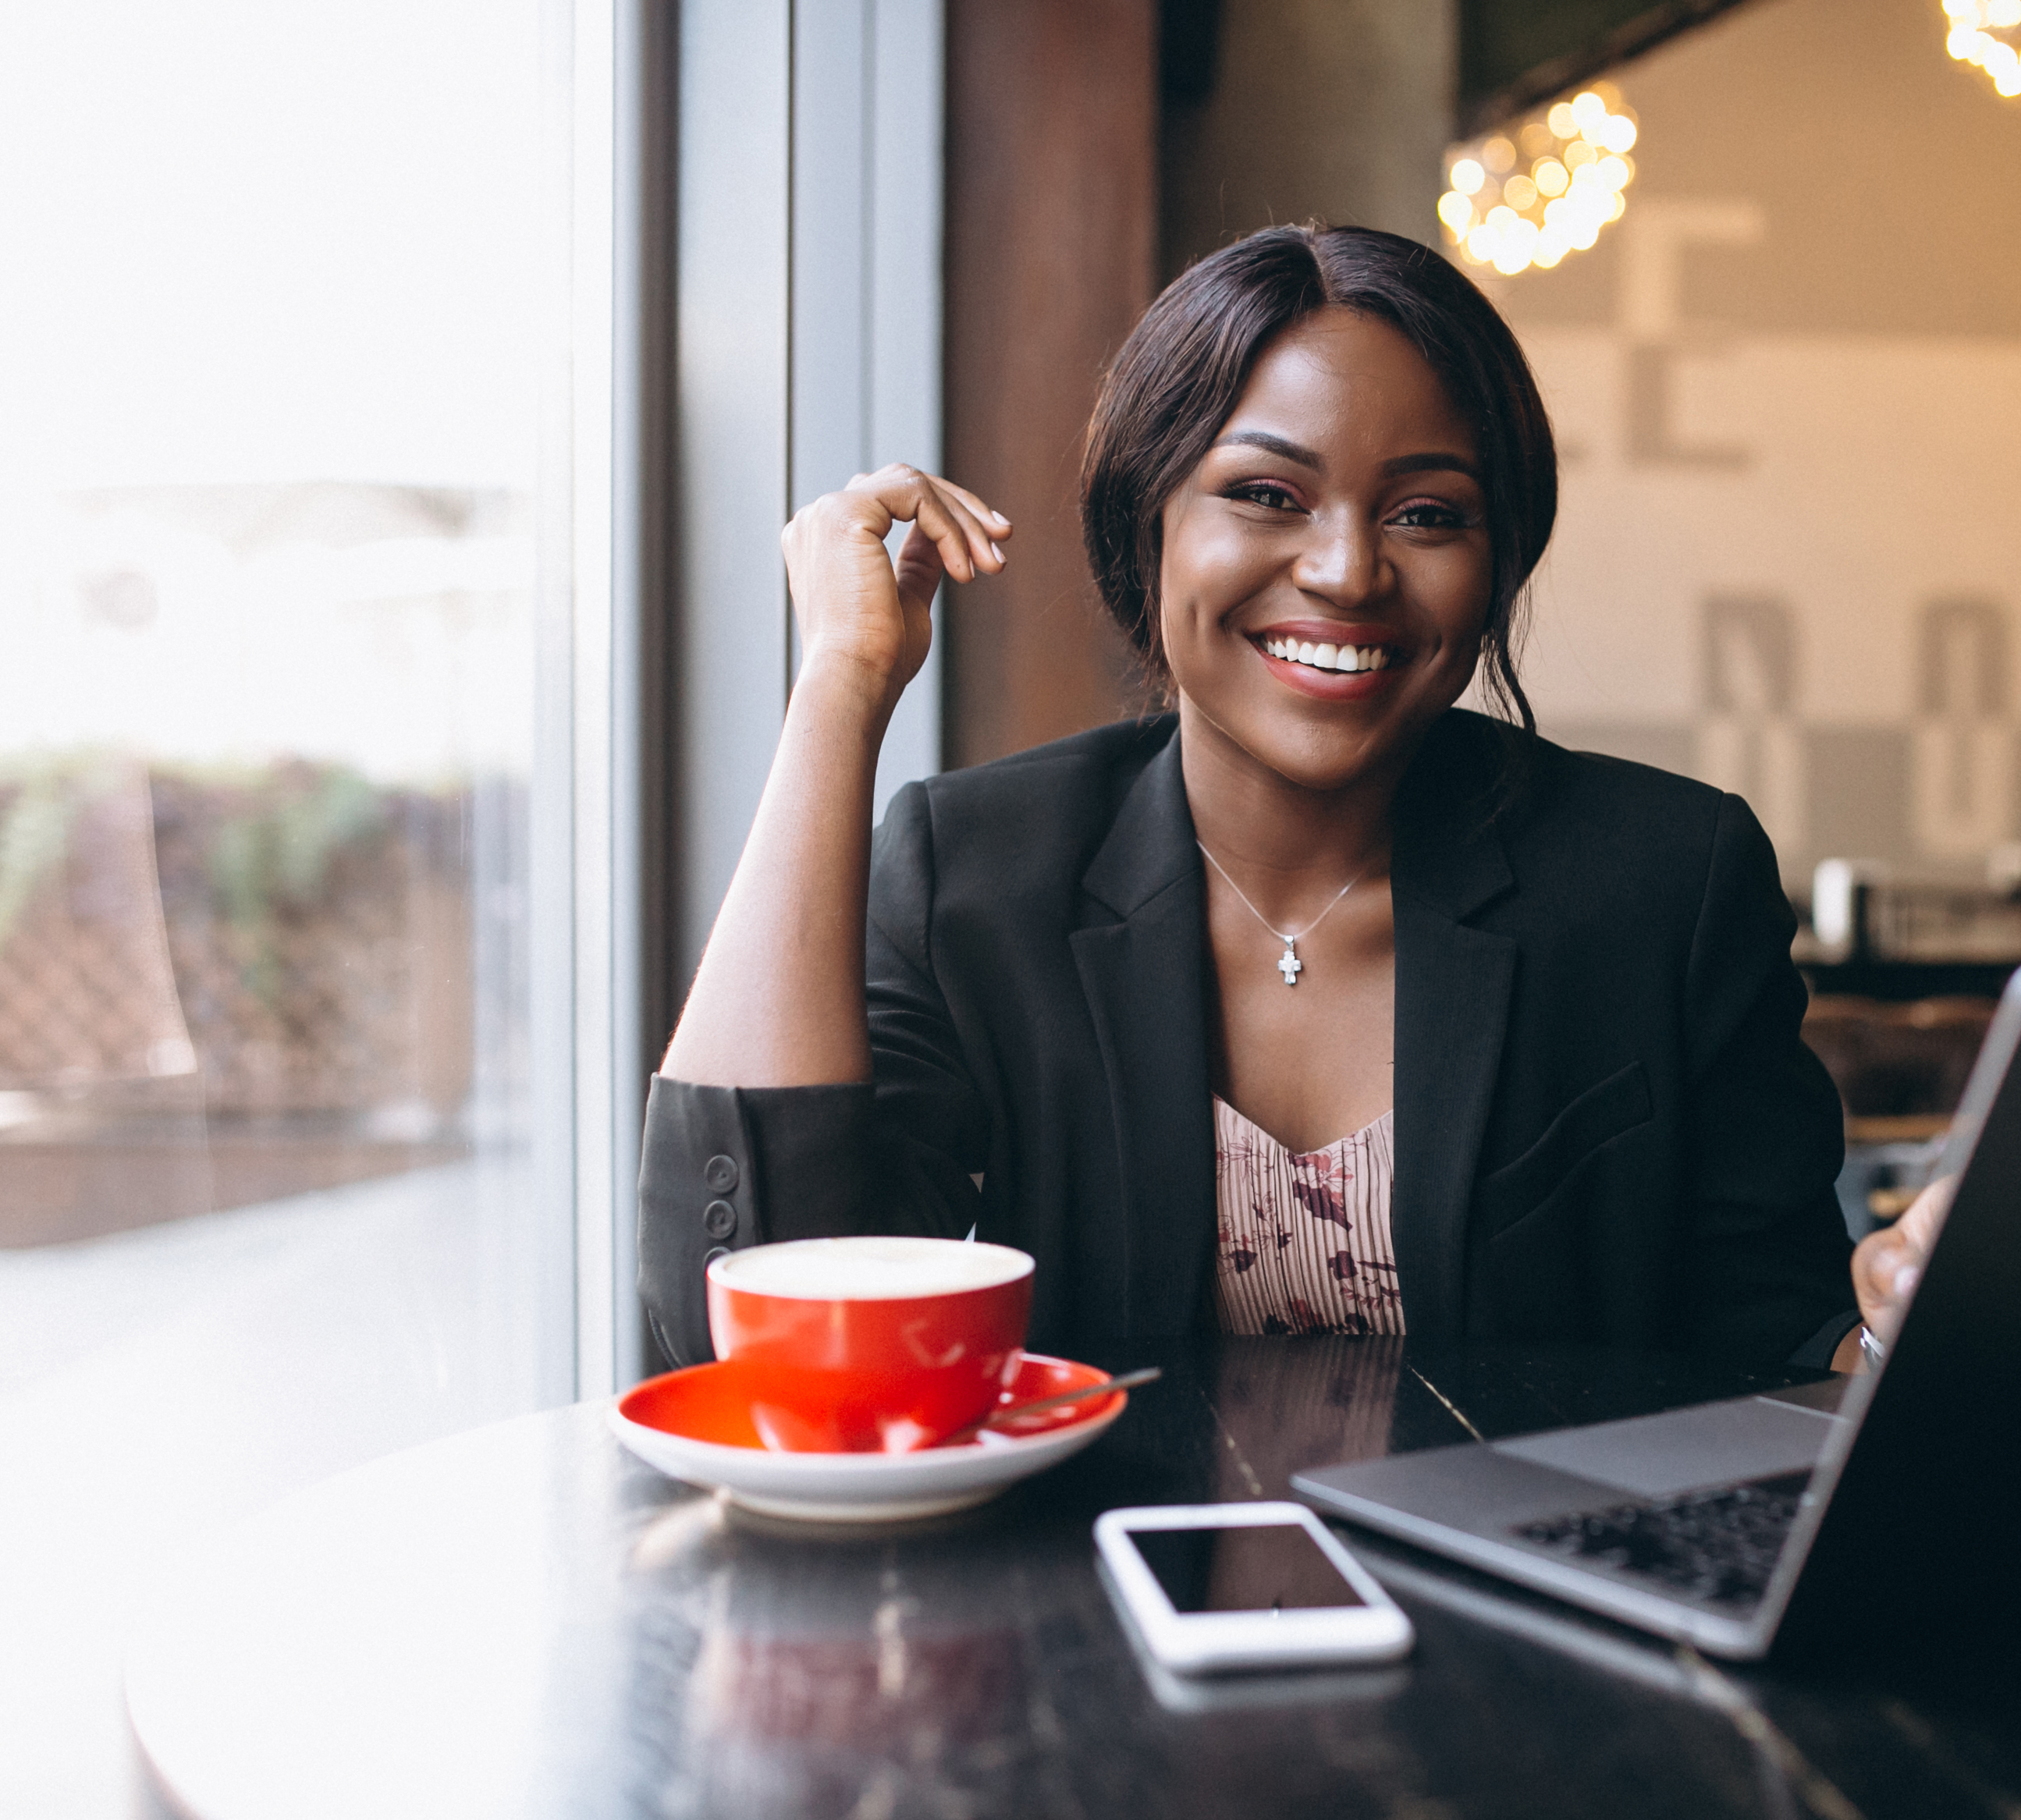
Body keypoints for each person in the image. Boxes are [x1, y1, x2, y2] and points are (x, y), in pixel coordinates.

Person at [639, 224, 1889, 1375]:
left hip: (1528, 1613)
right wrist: (840, 688)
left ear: (1497, 562)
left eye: (1426, 512)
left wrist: (1907, 1323)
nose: (1348, 569)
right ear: (1150, 523)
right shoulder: (975, 872)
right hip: (1091, 1607)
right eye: (1266, 495)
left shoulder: (1665, 878)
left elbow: (1777, 1339)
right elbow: (735, 1317)